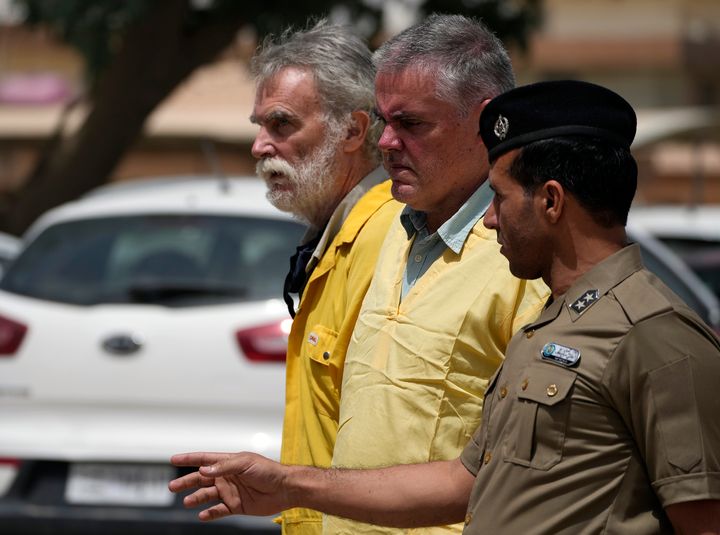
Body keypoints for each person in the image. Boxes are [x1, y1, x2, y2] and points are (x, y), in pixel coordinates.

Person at [169, 80, 720, 534]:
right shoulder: (552, 324)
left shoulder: (654, 334)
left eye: (500, 199)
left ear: (550, 201)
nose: (489, 220)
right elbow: (463, 483)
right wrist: (290, 485)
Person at [327, 14, 548, 534]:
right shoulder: (395, 230)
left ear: (488, 123)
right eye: (384, 122)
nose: (385, 143)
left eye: (412, 124)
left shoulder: (526, 261)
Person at [249, 19, 401, 535]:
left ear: (355, 131)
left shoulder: (388, 238)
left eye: (282, 125)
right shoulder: (338, 233)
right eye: (260, 126)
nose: (260, 146)